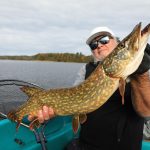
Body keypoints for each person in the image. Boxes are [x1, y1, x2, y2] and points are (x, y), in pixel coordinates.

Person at [28, 26, 150, 150]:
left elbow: (147, 111)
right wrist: (51, 111)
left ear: (116, 41)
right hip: (87, 145)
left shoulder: (142, 68)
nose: (99, 45)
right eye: (93, 45)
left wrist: (142, 74)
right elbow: (72, 102)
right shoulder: (85, 70)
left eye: (104, 40)